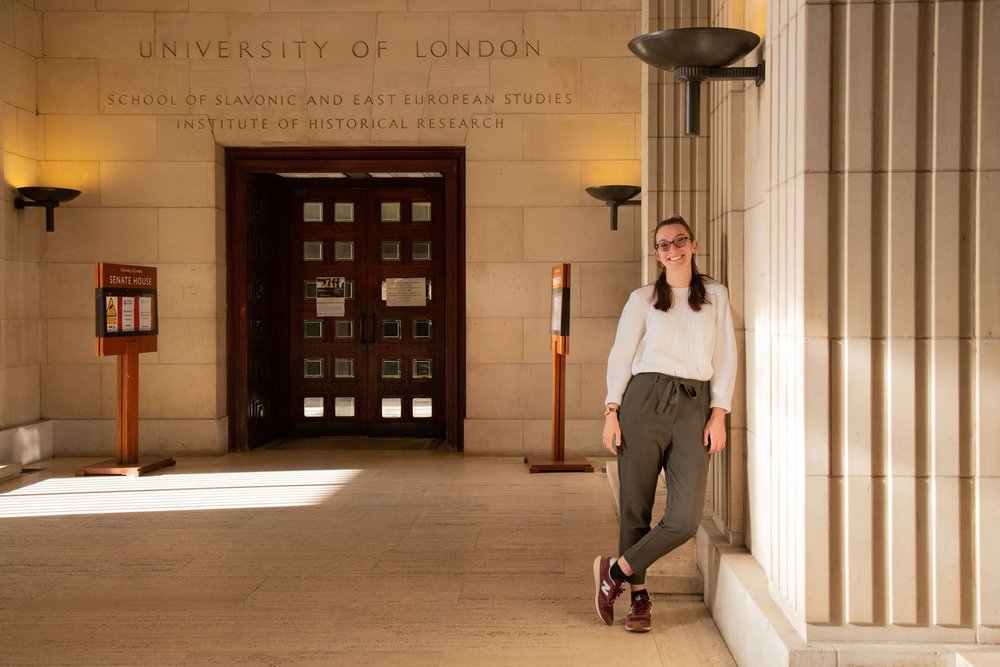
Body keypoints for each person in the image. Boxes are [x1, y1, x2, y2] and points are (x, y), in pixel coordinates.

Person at [593, 215, 737, 632]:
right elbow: (621, 354)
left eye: (679, 242)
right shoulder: (642, 299)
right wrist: (611, 410)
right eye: (662, 245)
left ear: (694, 245)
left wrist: (720, 412)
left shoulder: (715, 295)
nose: (671, 250)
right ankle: (638, 599)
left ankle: (613, 573)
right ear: (656, 254)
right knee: (634, 510)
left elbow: (726, 356)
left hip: (695, 406)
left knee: (684, 518)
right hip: (643, 401)